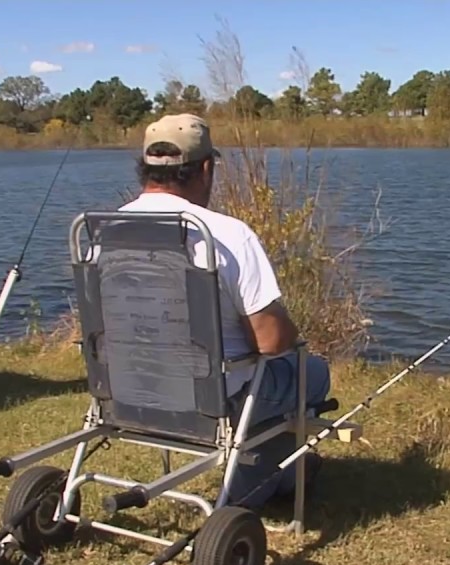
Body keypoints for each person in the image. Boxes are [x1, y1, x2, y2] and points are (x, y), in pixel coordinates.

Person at [118, 113, 330, 509]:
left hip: (126, 390)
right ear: (205, 168)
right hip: (210, 398)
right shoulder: (228, 234)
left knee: (269, 380)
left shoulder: (104, 229)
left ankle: (275, 472)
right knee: (312, 374)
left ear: (144, 168)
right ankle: (262, 485)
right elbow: (271, 340)